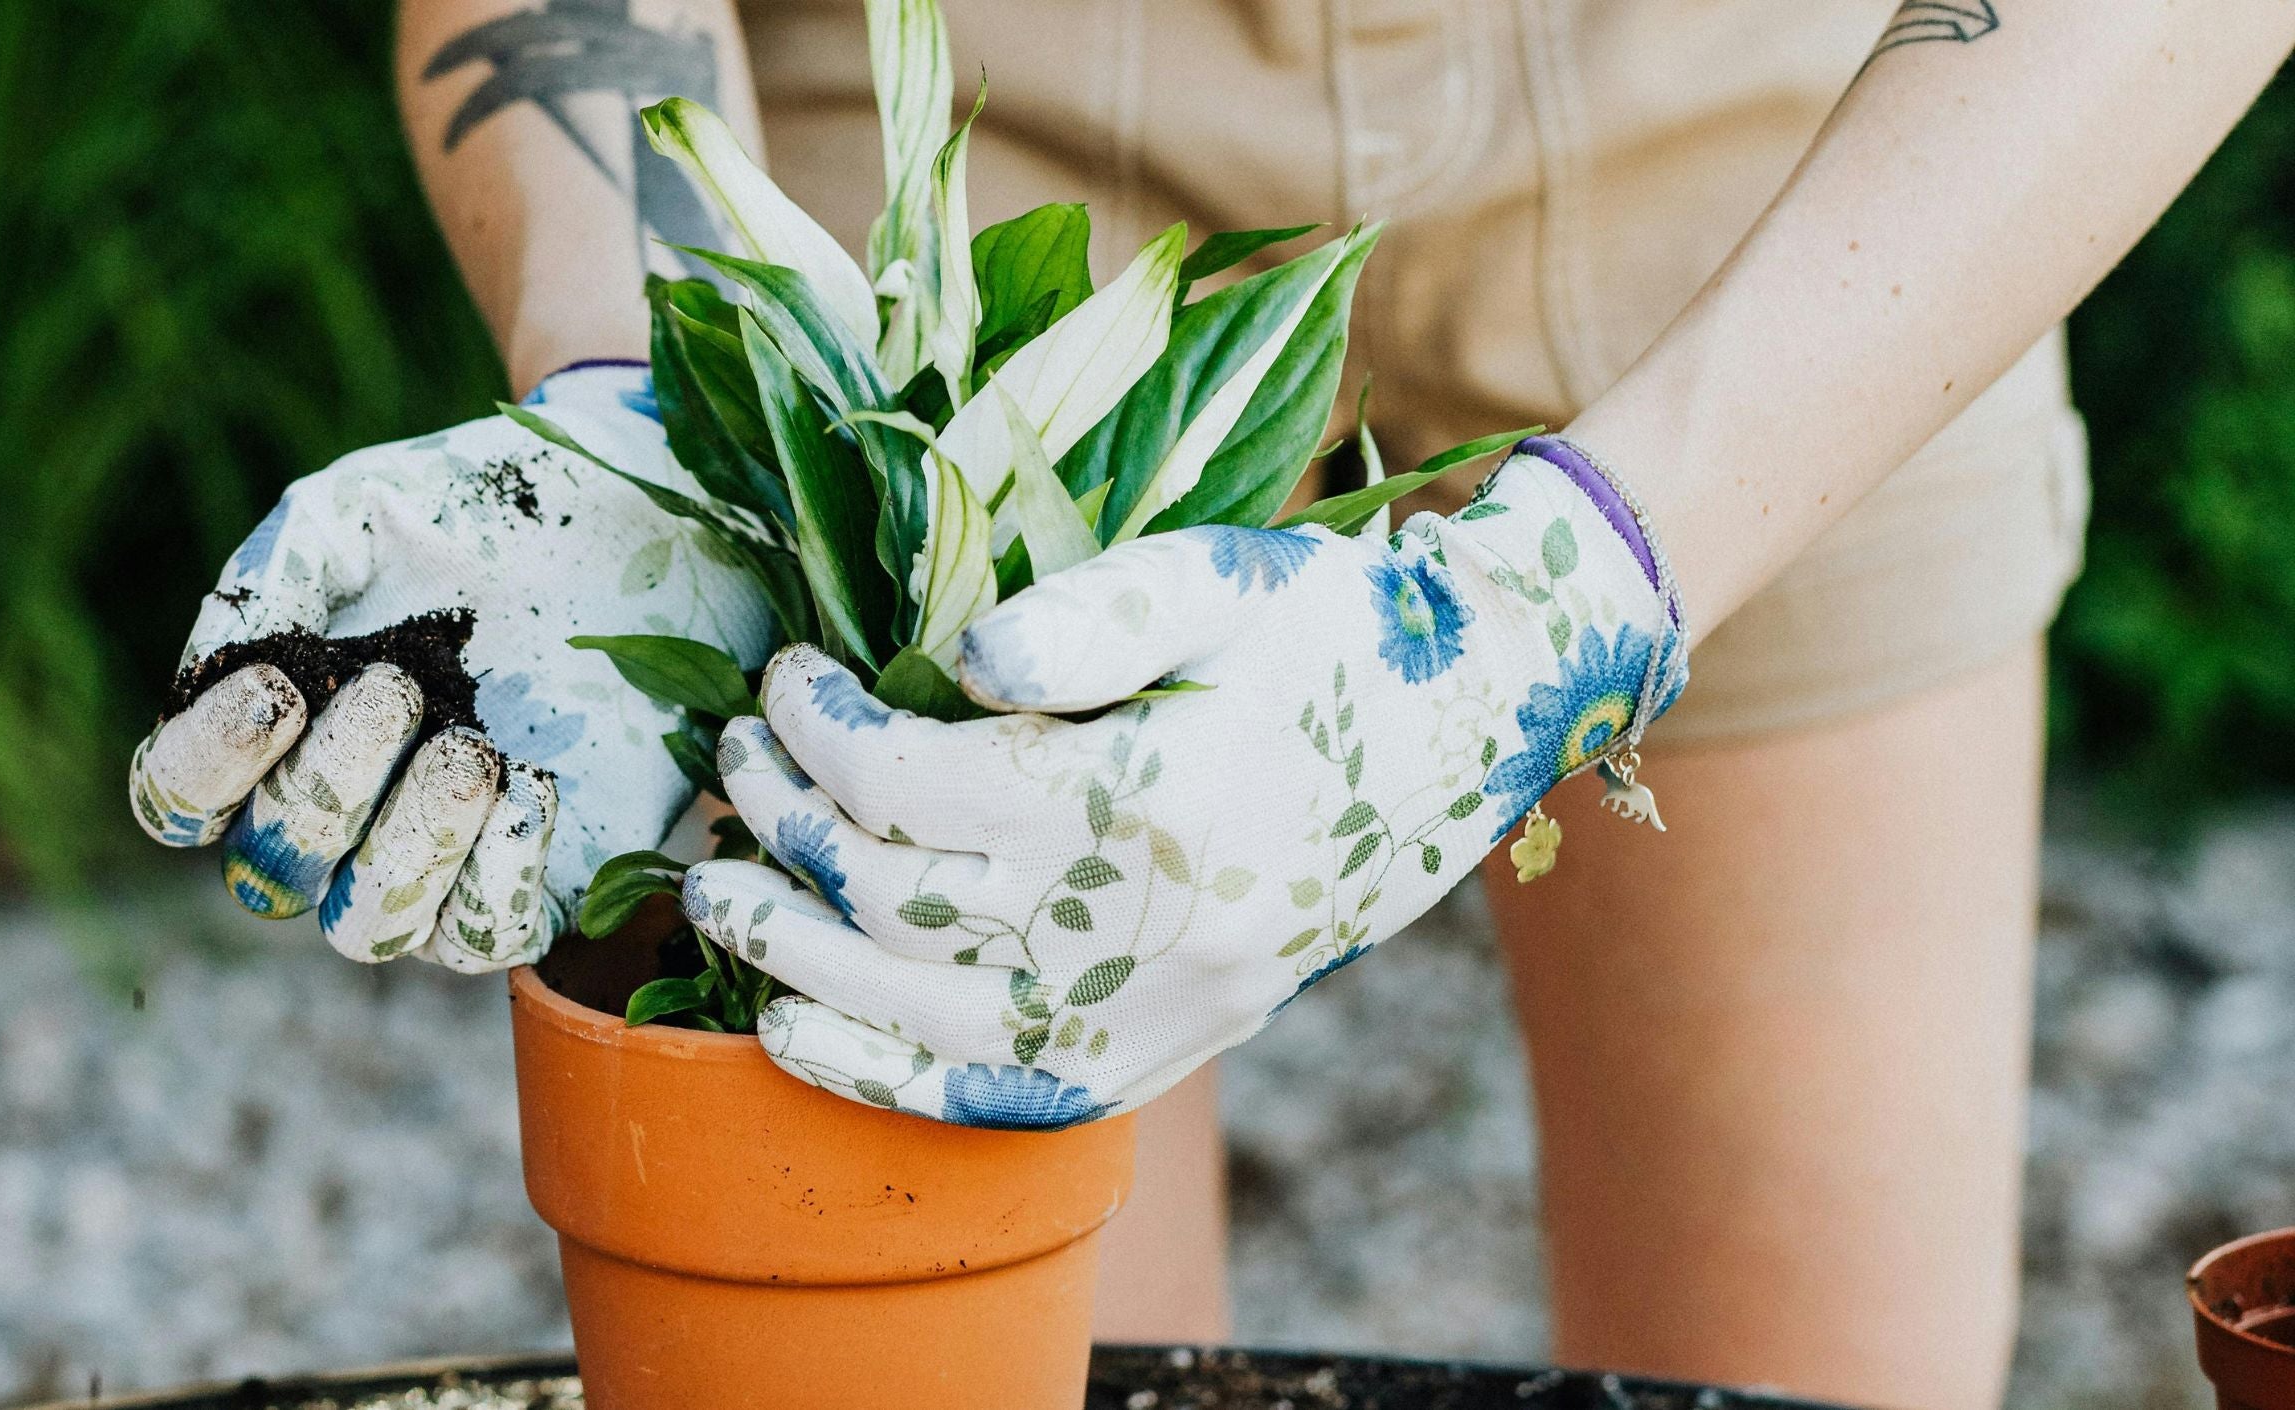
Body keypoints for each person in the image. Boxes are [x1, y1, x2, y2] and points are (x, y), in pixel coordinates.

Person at [127, 2, 2295, 1403]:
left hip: (1810, 139)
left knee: (1825, 1383)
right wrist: (637, 386)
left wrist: (1570, 591)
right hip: (943, 143)